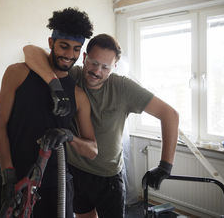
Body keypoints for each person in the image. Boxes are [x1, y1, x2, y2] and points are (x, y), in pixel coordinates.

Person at [23, 33, 179, 218]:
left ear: (114, 67)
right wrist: (54, 84)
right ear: (84, 57)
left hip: (107, 177)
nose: (97, 71)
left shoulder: (123, 88)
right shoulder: (72, 76)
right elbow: (30, 51)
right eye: (93, 63)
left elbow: (169, 115)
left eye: (105, 67)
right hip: (75, 169)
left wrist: (165, 166)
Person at [0, 7, 98, 218]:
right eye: (64, 46)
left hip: (55, 188)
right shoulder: (17, 73)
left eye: (76, 49)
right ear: (50, 43)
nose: (69, 55)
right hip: (10, 179)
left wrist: (69, 136)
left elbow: (93, 150)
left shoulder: (78, 95)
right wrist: (8, 175)